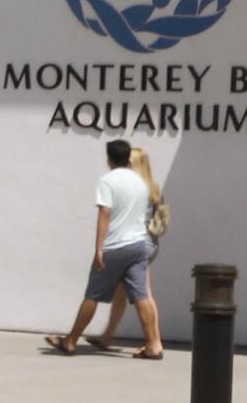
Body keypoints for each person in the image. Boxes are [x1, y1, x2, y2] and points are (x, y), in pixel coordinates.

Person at [45, 140, 163, 360]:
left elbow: (105, 213)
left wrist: (99, 248)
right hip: (138, 245)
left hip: (115, 246)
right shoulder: (141, 183)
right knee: (141, 295)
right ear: (128, 159)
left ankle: (70, 341)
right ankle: (153, 345)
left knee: (93, 295)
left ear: (109, 159)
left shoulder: (107, 181)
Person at [84, 147, 162, 351]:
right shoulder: (150, 186)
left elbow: (111, 213)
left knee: (144, 294)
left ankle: (155, 342)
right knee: (122, 293)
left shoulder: (137, 187)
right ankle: (108, 335)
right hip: (147, 242)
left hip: (136, 242)